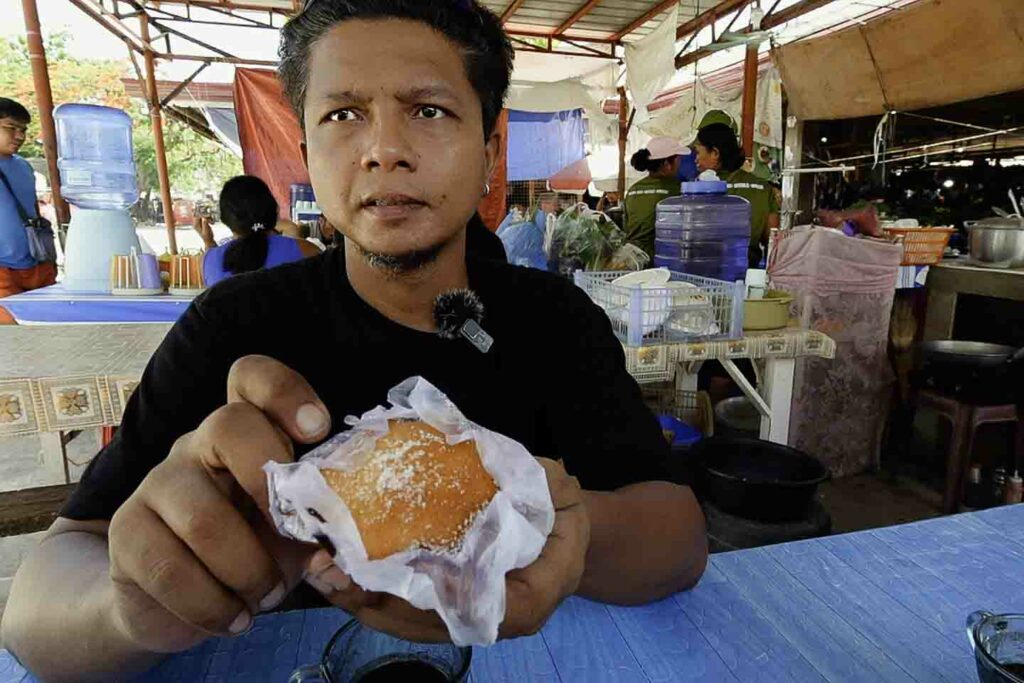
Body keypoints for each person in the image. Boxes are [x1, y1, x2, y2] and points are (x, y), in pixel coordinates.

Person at [1, 1, 707, 678]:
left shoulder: (554, 319)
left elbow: (679, 541)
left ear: (490, 151)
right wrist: (129, 607)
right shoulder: (232, 326)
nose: (385, 150)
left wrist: (549, 523)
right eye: (344, 114)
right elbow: (38, 613)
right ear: (307, 149)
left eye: (429, 111)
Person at [192, 175, 320, 286]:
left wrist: (208, 241)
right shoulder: (308, 251)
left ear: (226, 219)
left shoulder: (208, 262)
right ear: (274, 210)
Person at [692, 122, 780, 268]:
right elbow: (773, 242)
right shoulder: (763, 187)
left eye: (698, 152)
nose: (696, 159)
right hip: (748, 271)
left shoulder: (699, 188)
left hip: (705, 270)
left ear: (715, 153)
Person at [0, 98, 56, 324]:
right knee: (11, 334)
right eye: (11, 128)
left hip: (37, 265)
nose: (20, 136)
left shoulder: (23, 166)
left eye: (22, 130)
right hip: (3, 272)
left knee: (43, 329)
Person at [622, 137, 688, 259]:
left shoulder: (633, 189)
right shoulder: (677, 189)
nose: (680, 163)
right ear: (667, 164)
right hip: (660, 257)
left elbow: (627, 226)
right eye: (678, 159)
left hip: (631, 257)